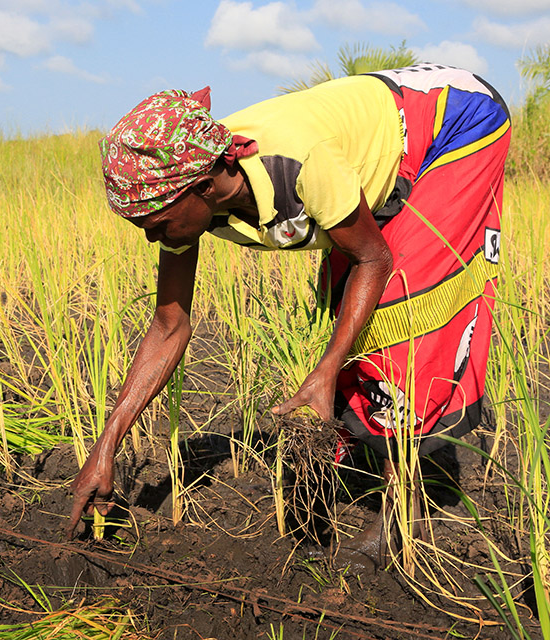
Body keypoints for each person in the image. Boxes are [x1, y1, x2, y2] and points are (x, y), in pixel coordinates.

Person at [66, 64, 511, 562]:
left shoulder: (298, 164)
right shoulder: (187, 197)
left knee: (401, 305)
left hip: (455, 122)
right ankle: (376, 439)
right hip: (373, 141)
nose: (152, 237)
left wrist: (325, 369)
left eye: (155, 223)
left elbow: (375, 257)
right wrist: (105, 447)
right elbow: (170, 324)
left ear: (202, 187)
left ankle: (400, 513)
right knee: (346, 297)